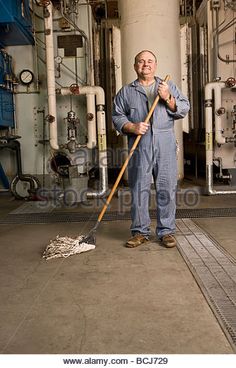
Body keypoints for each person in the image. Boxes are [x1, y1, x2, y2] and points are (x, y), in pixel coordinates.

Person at [112, 50, 190, 248]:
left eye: (149, 61)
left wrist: (168, 98)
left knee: (166, 188)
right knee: (139, 188)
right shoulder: (126, 91)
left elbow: (183, 108)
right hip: (140, 145)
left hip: (165, 143)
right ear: (135, 65)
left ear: (155, 65)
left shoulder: (167, 86)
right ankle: (140, 231)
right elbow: (117, 116)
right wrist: (132, 127)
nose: (145, 64)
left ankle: (166, 232)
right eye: (141, 61)